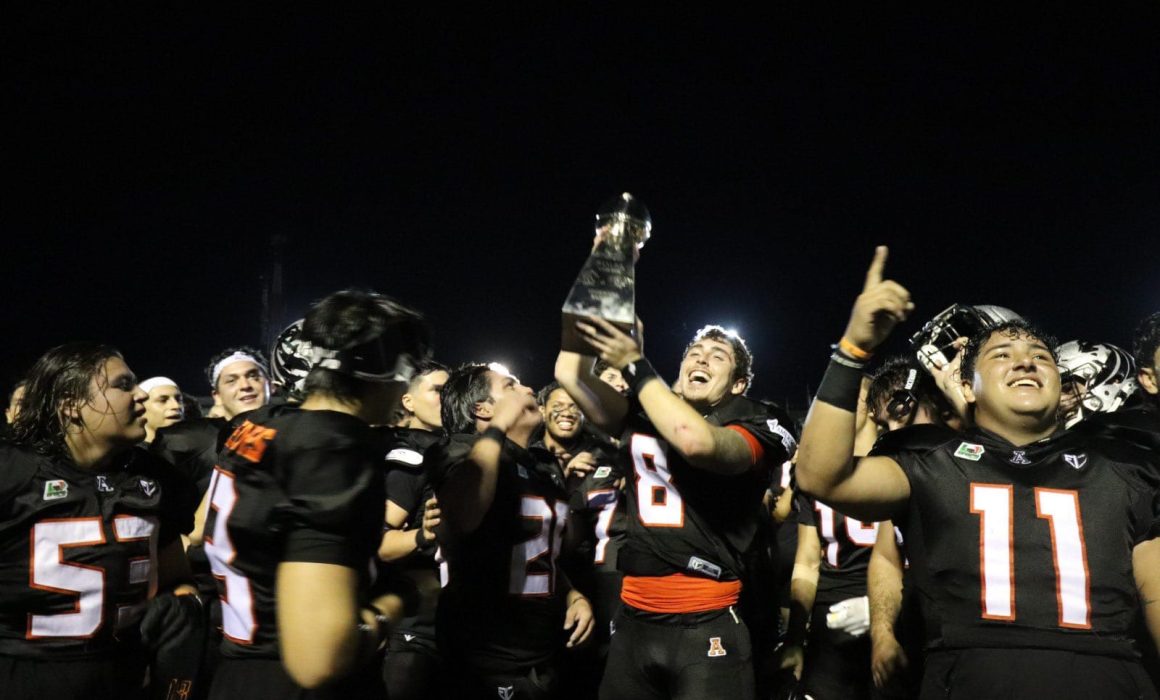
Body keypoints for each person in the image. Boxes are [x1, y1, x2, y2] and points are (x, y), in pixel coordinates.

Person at [796, 247, 1160, 699]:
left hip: (1106, 679)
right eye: (1003, 354)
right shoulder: (932, 459)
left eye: (1041, 356)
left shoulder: (1124, 464)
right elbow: (819, 477)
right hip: (969, 678)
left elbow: (1155, 593)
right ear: (966, 385)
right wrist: (853, 349)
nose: (1026, 362)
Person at [202, 289, 430, 699]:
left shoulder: (266, 423)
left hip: (237, 671)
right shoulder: (331, 445)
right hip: (294, 681)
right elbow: (319, 658)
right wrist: (405, 596)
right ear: (382, 369)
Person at [557, 321, 796, 700]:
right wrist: (600, 290)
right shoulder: (644, 412)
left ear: (738, 385)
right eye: (694, 352)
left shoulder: (760, 418)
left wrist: (635, 362)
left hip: (706, 618)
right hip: (633, 618)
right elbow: (569, 372)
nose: (702, 357)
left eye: (717, 356)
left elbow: (697, 442)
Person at [0, 343, 198, 699]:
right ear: (70, 403)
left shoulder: (156, 477)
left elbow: (177, 580)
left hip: (125, 678)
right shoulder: (12, 472)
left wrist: (179, 614)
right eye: (123, 385)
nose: (141, 394)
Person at [427, 362, 594, 699]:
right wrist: (500, 424)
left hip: (543, 655)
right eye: (511, 385)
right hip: (484, 662)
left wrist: (571, 593)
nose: (528, 389)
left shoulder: (540, 465)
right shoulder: (461, 449)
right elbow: (466, 513)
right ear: (483, 408)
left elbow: (546, 551)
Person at [376, 359, 450, 700]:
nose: (445, 399)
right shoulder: (411, 456)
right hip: (415, 623)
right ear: (408, 401)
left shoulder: (454, 448)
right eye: (436, 390)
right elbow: (380, 542)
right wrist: (422, 535)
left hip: (455, 618)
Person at [140, 376, 186, 444]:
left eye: (179, 400)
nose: (176, 406)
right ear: (140, 408)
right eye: (163, 400)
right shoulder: (130, 453)